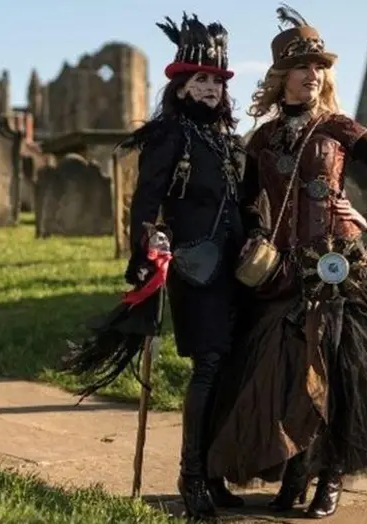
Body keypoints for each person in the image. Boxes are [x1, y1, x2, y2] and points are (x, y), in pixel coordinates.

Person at [206, 5, 367, 519]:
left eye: (319, 67)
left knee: (339, 375)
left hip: (339, 266)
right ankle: (295, 471)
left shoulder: (340, 128)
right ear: (282, 77)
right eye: (303, 67)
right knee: (287, 375)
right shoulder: (264, 139)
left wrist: (366, 219)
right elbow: (251, 200)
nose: (313, 75)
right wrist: (256, 237)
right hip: (285, 271)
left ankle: (330, 479)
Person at [121, 12, 246, 520]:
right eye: (201, 79)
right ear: (179, 84)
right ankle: (191, 476)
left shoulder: (226, 140)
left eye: (217, 80)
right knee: (209, 366)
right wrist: (142, 254)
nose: (211, 88)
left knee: (230, 369)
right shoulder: (168, 135)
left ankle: (214, 474)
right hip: (195, 268)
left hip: (239, 269)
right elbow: (145, 200)